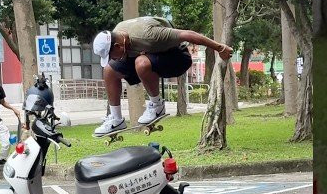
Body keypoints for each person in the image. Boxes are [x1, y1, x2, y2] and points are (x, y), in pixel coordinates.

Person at [91, 16, 233, 136]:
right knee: (109, 70)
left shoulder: (149, 34)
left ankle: (157, 106)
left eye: (111, 55)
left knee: (141, 63)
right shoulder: (118, 33)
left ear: (118, 46)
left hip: (177, 58)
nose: (113, 58)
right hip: (148, 56)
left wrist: (220, 48)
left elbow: (187, 34)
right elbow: (117, 60)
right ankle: (116, 119)